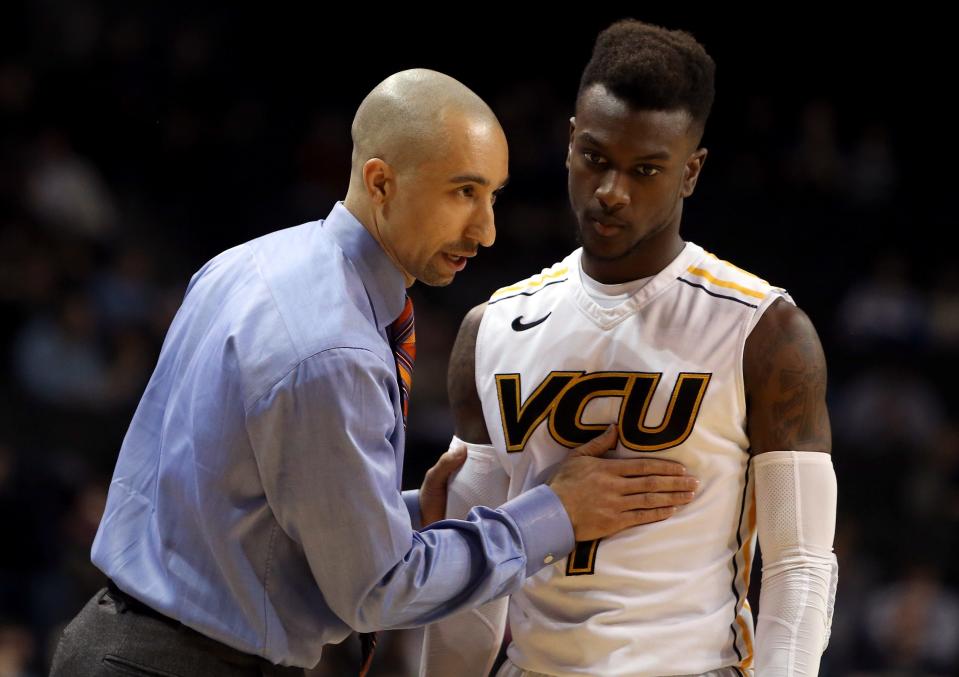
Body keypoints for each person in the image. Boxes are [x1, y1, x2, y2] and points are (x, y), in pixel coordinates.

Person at [49, 68, 699, 676]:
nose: (487, 230)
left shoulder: (248, 263)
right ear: (382, 180)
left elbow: (248, 505)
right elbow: (376, 588)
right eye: (463, 192)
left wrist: (419, 512)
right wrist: (556, 514)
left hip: (120, 640)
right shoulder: (334, 350)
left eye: (492, 196)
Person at [421, 20, 838, 677]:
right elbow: (475, 572)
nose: (611, 189)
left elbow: (800, 565)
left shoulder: (764, 329)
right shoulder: (490, 326)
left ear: (690, 172)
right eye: (595, 158)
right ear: (568, 143)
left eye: (645, 169)